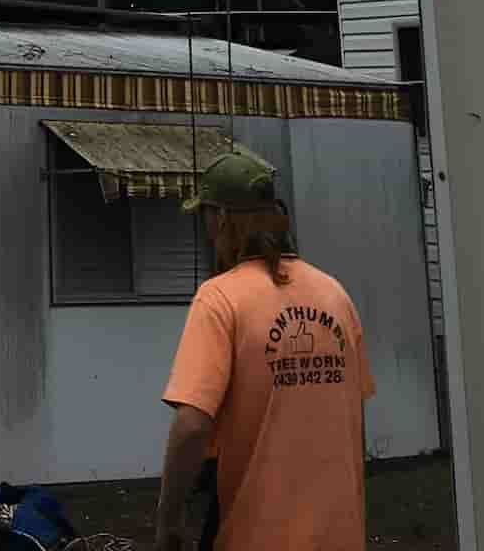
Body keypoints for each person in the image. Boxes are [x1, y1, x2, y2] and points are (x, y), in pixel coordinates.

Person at [154, 147, 376, 551]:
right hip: (339, 535)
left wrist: (169, 522)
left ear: (221, 219)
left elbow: (192, 424)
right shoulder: (334, 294)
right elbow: (353, 417)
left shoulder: (219, 298)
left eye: (206, 218)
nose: (207, 232)